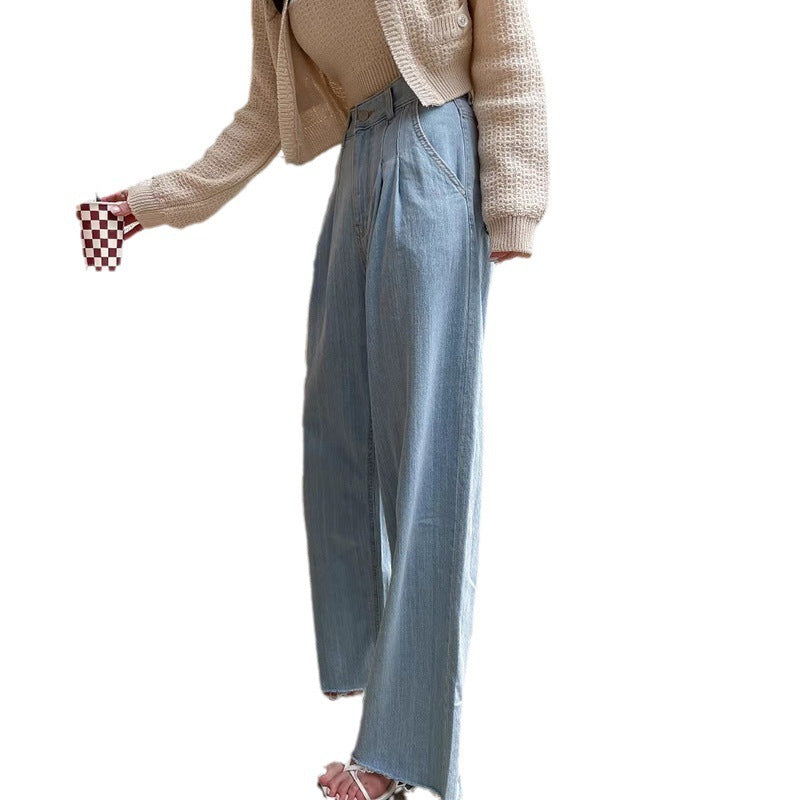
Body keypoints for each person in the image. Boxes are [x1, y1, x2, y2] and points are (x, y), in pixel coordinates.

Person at [99, 2, 548, 800]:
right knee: (336, 427)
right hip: (361, 163)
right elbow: (262, 117)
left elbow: (505, 42)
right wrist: (150, 202)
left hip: (438, 148)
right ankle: (374, 670)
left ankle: (399, 755)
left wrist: (514, 202)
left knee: (428, 465)